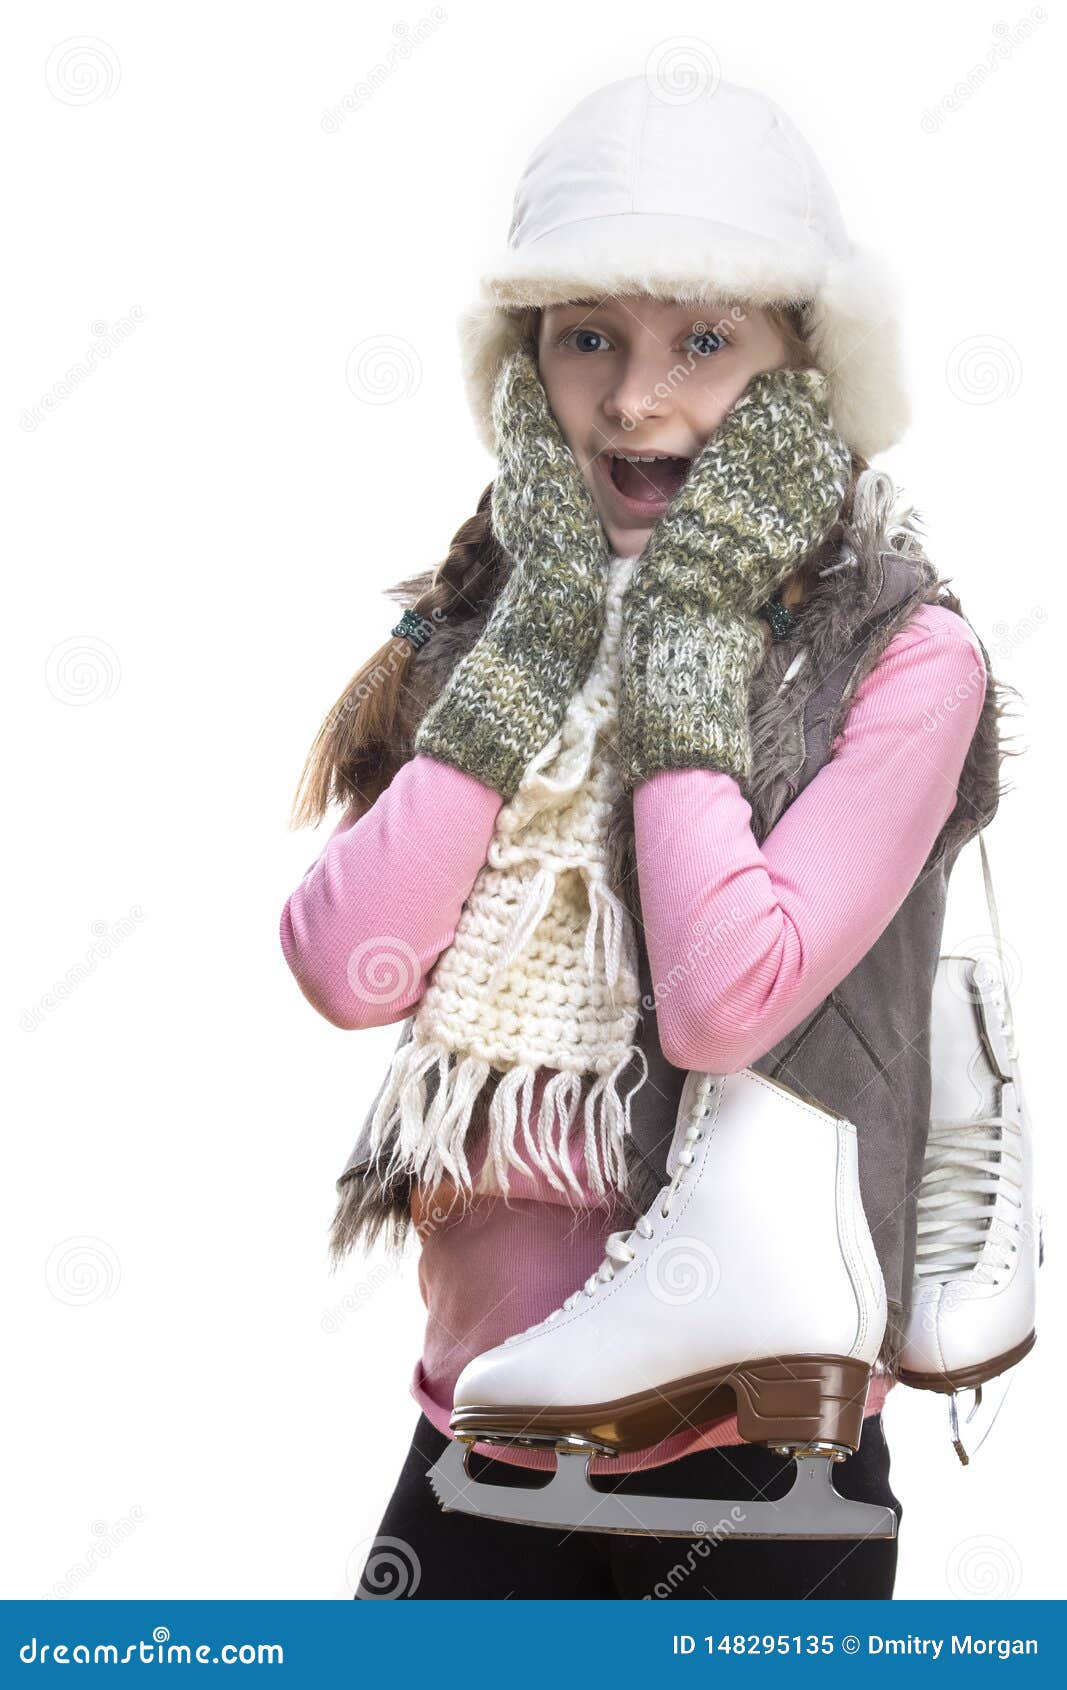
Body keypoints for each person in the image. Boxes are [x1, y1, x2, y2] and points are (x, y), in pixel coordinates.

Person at [279, 76, 1008, 1599]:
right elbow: (352, 962)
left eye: (705, 341)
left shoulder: (905, 657)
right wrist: (535, 647)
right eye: (587, 336)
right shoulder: (493, 614)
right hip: (476, 1427)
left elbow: (725, 997)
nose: (633, 402)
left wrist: (681, 642)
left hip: (754, 1471)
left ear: (805, 368)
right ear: (525, 359)